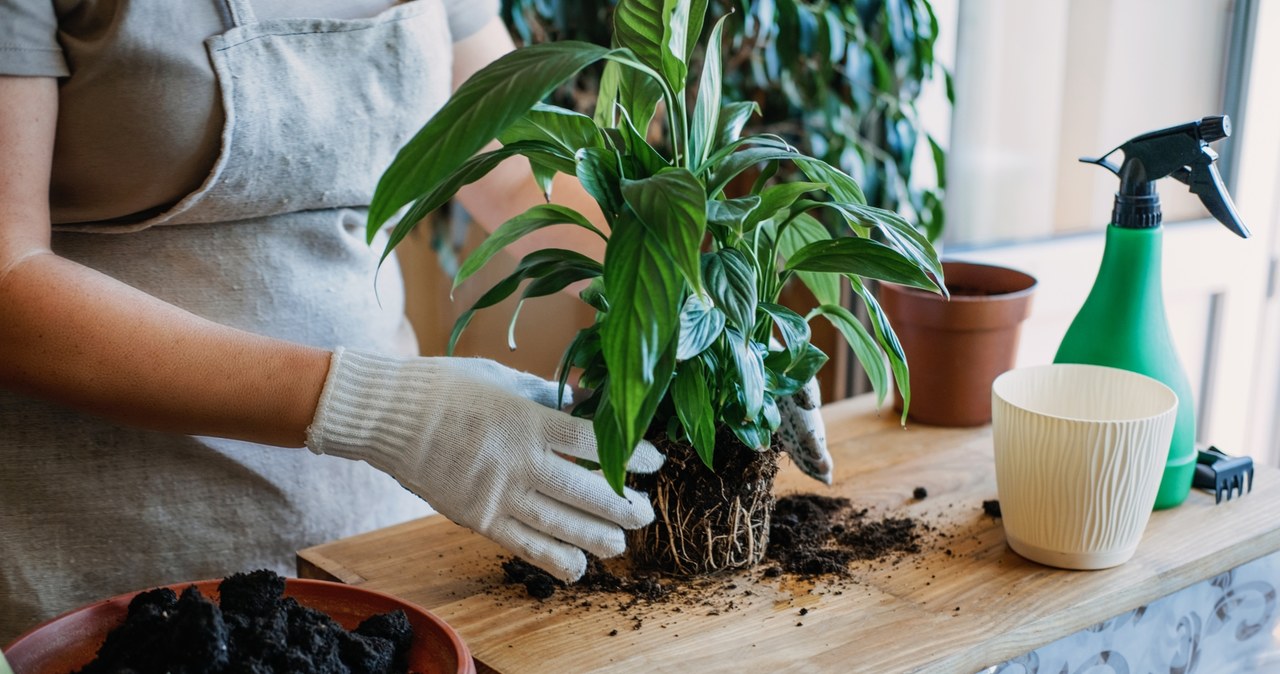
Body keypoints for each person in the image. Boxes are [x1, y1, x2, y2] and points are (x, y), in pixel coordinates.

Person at [0, 0, 832, 641]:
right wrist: (377, 408)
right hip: (115, 555)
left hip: (374, 531)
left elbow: (513, 175)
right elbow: (8, 279)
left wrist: (703, 310)